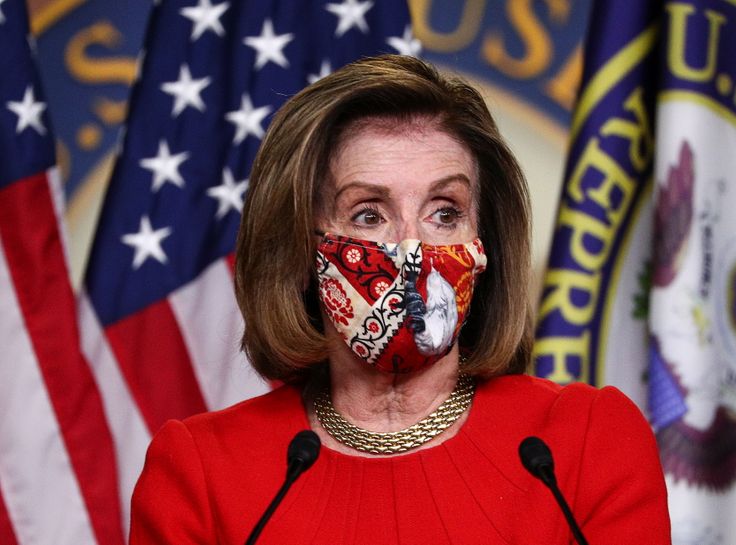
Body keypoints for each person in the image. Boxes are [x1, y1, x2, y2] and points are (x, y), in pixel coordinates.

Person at [129, 55, 671, 544]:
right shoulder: (202, 471)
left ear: (484, 245)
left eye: (444, 212)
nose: (412, 249)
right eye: (369, 214)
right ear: (300, 251)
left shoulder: (582, 445)